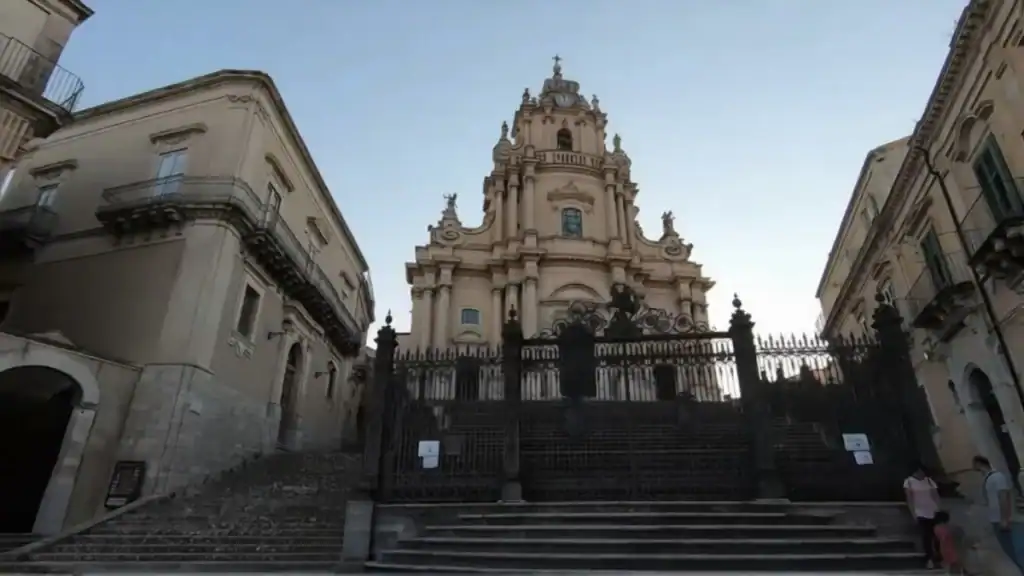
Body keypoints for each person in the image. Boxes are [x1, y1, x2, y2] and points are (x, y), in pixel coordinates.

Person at [974, 455, 1024, 573]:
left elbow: (1003, 496)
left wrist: (1004, 519)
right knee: (1009, 551)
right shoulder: (987, 478)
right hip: (996, 519)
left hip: (1005, 519)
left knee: (1016, 550)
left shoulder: (997, 477)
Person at [904, 463, 941, 569]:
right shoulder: (909, 482)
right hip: (920, 511)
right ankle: (929, 558)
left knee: (937, 535)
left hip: (933, 511)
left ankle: (938, 557)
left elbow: (935, 496)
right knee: (926, 536)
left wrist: (938, 509)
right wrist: (913, 513)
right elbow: (910, 499)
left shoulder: (929, 481)